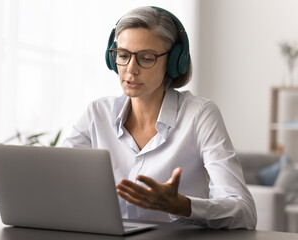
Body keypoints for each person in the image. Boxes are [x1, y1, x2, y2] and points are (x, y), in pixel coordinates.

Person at [61, 6, 257, 229]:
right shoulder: (98, 113)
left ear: (175, 62)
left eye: (146, 58)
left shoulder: (200, 115)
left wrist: (182, 205)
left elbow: (244, 211)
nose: (131, 70)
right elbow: (55, 178)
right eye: (123, 56)